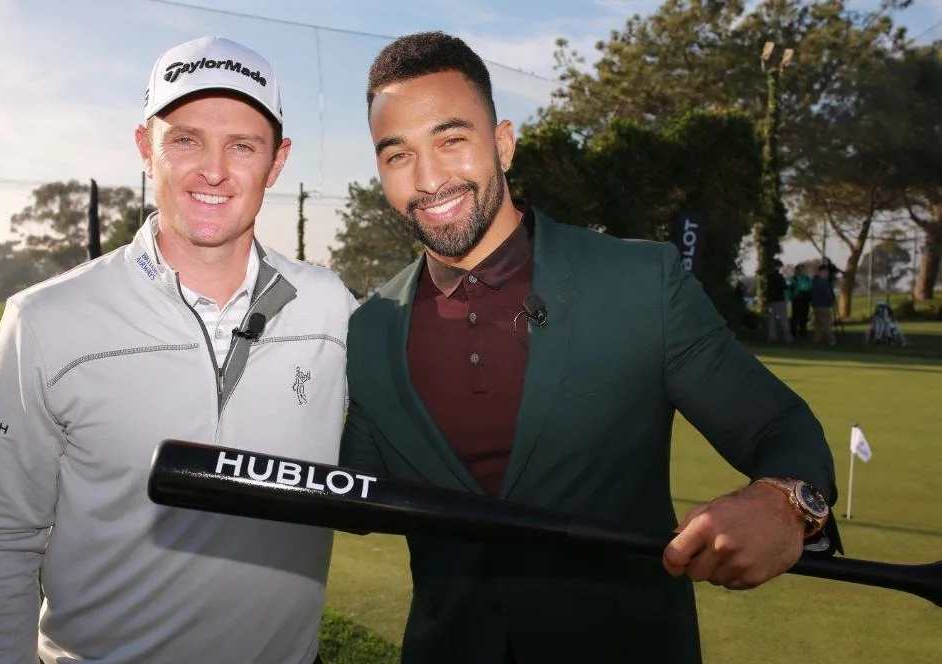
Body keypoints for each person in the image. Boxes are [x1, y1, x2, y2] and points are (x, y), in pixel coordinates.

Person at [339, 31, 841, 664]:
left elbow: (777, 424)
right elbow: (350, 495)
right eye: (397, 155)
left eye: (451, 140)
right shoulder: (371, 327)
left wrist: (784, 504)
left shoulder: (640, 282)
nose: (429, 177)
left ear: (503, 144)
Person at [0, 36, 357, 664]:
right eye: (186, 140)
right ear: (146, 148)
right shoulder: (43, 319)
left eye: (242, 145)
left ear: (277, 162)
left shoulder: (331, 307)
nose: (213, 171)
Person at [765, 260, 793, 343]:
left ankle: (772, 337)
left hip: (771, 300)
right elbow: (784, 287)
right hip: (780, 300)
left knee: (772, 320)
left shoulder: (769, 277)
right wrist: (790, 287)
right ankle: (787, 338)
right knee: (784, 320)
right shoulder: (779, 277)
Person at [811, 261, 838, 345]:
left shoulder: (814, 280)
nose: (827, 273)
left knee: (818, 323)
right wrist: (831, 301)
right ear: (823, 271)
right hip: (823, 305)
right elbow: (827, 293)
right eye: (826, 271)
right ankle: (831, 340)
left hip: (816, 305)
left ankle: (817, 339)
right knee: (827, 323)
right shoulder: (822, 281)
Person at [788, 263, 812, 340]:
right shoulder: (794, 279)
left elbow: (810, 287)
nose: (803, 271)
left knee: (804, 317)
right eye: (801, 270)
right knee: (795, 317)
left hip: (805, 299)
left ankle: (803, 333)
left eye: (803, 269)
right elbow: (790, 288)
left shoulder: (807, 278)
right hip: (796, 299)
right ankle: (793, 332)